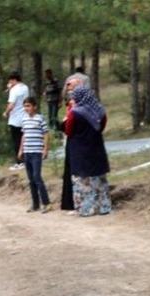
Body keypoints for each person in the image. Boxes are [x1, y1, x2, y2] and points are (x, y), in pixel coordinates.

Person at [63, 85, 111, 217]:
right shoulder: (100, 111)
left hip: (79, 150)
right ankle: (103, 206)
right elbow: (101, 127)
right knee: (99, 178)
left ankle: (86, 209)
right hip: (96, 147)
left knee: (82, 180)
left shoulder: (75, 113)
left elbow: (68, 130)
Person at [59, 74, 91, 211]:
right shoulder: (71, 101)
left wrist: (67, 123)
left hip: (80, 141)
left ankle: (82, 204)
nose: (68, 88)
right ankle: (69, 203)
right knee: (70, 171)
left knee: (79, 173)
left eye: (70, 85)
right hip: (71, 140)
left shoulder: (84, 103)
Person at [17, 97, 51, 213]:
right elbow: (24, 135)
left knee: (37, 177)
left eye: (29, 106)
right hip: (27, 152)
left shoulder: (40, 119)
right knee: (31, 179)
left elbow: (46, 134)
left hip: (37, 152)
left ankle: (46, 203)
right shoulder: (24, 119)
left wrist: (45, 149)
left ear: (34, 106)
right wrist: (21, 149)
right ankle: (35, 204)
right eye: (25, 106)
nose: (27, 108)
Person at [3, 71, 29, 171]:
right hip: (24, 117)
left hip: (15, 119)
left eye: (10, 80)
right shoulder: (25, 87)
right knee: (24, 140)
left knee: (16, 141)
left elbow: (11, 104)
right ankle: (26, 161)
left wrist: (6, 112)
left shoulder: (14, 90)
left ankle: (19, 162)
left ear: (13, 80)